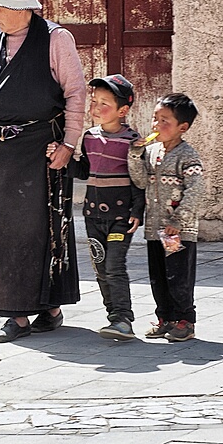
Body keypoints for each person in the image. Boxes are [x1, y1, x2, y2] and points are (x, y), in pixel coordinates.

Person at [0, 0, 87, 343]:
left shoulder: (56, 39)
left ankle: (49, 307)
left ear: (21, 8)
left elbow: (76, 93)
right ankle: (15, 314)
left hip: (39, 147)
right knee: (1, 231)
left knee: (42, 229)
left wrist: (68, 145)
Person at [50, 74, 145, 340]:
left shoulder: (133, 142)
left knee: (115, 265)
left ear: (122, 110)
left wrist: (137, 212)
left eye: (105, 103)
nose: (95, 108)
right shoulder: (89, 137)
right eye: (94, 101)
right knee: (101, 268)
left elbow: (140, 181)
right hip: (92, 216)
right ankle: (113, 317)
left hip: (120, 217)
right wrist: (61, 155)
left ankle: (124, 319)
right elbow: (83, 171)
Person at [128, 92, 204, 341]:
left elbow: (195, 190)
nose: (156, 126)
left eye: (164, 121)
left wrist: (177, 221)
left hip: (175, 232)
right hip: (154, 229)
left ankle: (185, 321)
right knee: (158, 276)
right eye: (155, 119)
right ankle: (165, 318)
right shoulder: (151, 152)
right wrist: (135, 155)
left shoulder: (187, 156)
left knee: (177, 276)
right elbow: (140, 181)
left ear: (182, 127)